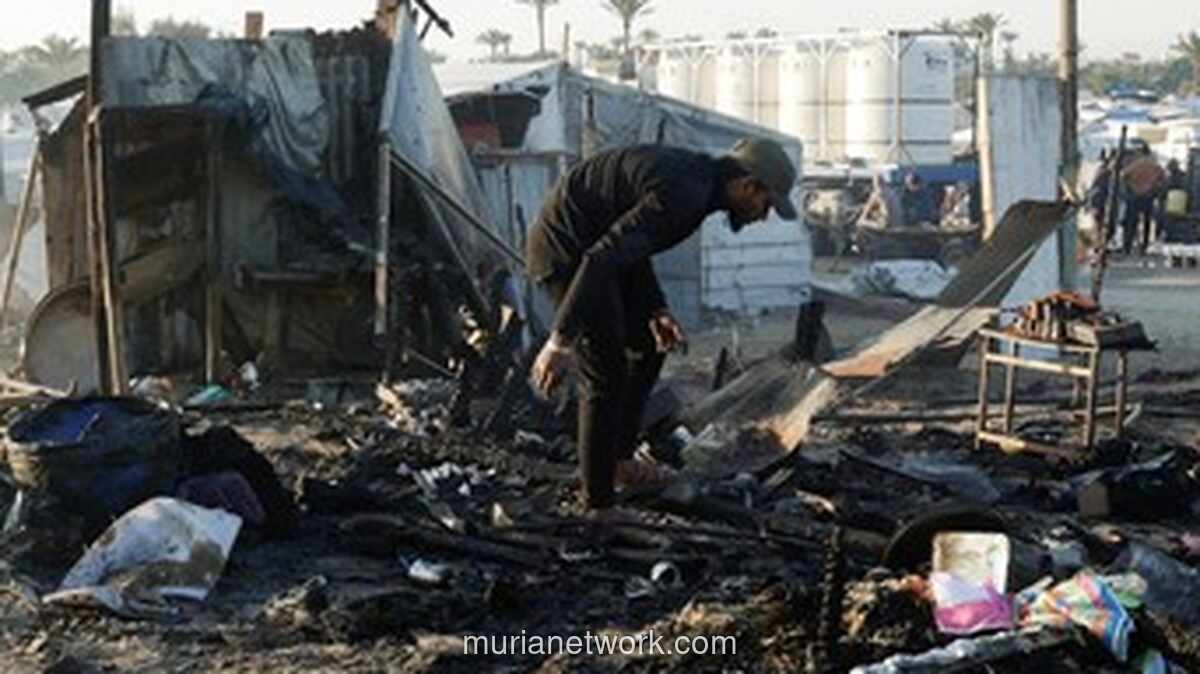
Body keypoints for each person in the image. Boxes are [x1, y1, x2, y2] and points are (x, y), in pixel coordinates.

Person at [526, 138, 798, 514]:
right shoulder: (685, 193)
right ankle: (598, 504)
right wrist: (560, 340)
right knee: (605, 372)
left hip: (596, 254)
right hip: (567, 252)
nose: (762, 215)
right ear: (748, 185)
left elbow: (630, 246)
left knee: (650, 345)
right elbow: (602, 257)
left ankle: (619, 461)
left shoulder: (695, 187)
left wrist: (655, 308)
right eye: (765, 204)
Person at [1120, 147, 1166, 255]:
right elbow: (1163, 177)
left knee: (1131, 222)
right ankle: (1144, 247)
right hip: (1148, 197)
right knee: (1147, 222)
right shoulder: (1155, 166)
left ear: (1140, 153)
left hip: (1134, 197)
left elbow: (1123, 176)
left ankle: (1127, 246)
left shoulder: (1135, 164)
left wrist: (1130, 188)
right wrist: (1155, 188)